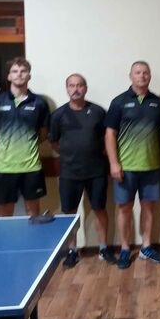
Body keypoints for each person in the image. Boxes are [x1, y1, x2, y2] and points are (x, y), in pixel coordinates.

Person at [50, 73, 116, 268]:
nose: (76, 89)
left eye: (79, 85)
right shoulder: (58, 115)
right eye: (71, 85)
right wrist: (71, 154)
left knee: (99, 209)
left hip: (96, 171)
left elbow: (108, 138)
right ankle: (72, 250)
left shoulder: (98, 112)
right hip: (69, 172)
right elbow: (54, 142)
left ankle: (103, 248)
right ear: (67, 89)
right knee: (70, 212)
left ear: (85, 88)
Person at [105, 61, 160, 269]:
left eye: (145, 72)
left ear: (150, 76)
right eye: (138, 72)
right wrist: (114, 163)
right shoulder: (119, 102)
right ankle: (124, 248)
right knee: (124, 209)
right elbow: (109, 135)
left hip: (151, 166)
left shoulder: (158, 103)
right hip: (125, 167)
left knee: (149, 209)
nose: (142, 76)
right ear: (130, 76)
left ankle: (146, 246)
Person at [0, 57, 50, 217]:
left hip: (31, 167)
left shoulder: (40, 103)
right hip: (4, 167)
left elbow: (43, 134)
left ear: (29, 76)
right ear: (9, 76)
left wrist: (26, 143)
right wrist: (7, 143)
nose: (19, 74)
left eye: (23, 71)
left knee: (33, 213)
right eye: (15, 71)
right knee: (5, 215)